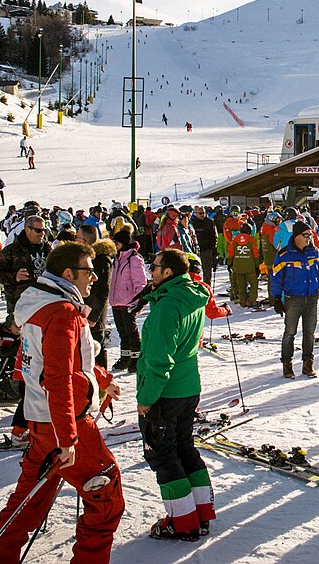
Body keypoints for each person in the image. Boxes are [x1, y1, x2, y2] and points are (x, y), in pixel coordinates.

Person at [0, 241, 124, 563]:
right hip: (66, 423)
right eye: (89, 271)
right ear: (69, 273)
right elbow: (57, 378)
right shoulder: (62, 312)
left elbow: (60, 363)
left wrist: (100, 379)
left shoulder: (40, 304)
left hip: (43, 420)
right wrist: (68, 437)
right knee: (107, 500)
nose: (95, 278)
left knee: (29, 501)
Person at [137, 248, 217, 540]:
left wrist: (146, 398)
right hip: (187, 387)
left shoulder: (168, 305)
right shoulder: (192, 294)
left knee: (164, 455)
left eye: (155, 267)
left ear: (167, 272)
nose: (151, 272)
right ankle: (200, 512)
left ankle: (183, 521)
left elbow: (159, 360)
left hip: (166, 393)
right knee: (184, 449)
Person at [270, 222, 319, 378]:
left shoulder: (315, 252)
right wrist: (276, 297)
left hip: (311, 298)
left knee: (309, 332)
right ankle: (287, 363)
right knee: (290, 332)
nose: (309, 238)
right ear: (296, 236)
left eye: (310, 235)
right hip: (293, 299)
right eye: (306, 235)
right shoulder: (284, 255)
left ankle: (307, 363)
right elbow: (276, 277)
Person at [109, 226, 148, 373]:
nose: (114, 245)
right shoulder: (117, 257)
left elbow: (140, 282)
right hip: (116, 300)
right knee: (122, 332)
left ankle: (136, 359)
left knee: (131, 332)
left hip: (128, 301)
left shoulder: (134, 258)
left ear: (123, 243)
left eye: (117, 243)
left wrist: (139, 301)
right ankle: (125, 357)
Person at [79, 225, 115, 368]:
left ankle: (102, 386)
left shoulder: (101, 259)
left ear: (85, 241)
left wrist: (94, 315)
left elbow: (102, 290)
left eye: (78, 238)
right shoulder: (86, 257)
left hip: (95, 311)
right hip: (86, 308)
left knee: (97, 345)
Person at [228, 223, 260, 308]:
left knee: (241, 285)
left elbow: (231, 253)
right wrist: (257, 266)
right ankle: (251, 300)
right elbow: (256, 254)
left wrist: (229, 264)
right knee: (254, 284)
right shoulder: (251, 240)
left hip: (237, 267)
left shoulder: (234, 240)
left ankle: (243, 301)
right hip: (250, 267)